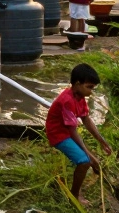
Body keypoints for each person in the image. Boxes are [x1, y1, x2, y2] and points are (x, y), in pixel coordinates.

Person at [46, 63, 112, 199]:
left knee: (89, 159)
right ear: (77, 83)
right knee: (84, 161)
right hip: (58, 135)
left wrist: (102, 142)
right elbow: (72, 132)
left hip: (67, 133)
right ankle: (74, 195)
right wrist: (90, 156)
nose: (91, 91)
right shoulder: (67, 101)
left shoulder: (80, 98)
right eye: (89, 87)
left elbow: (87, 120)